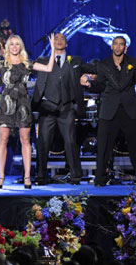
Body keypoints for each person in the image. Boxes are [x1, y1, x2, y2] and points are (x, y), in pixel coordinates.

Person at [0, 33, 55, 189]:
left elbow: (48, 68)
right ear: (8, 47)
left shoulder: (27, 63)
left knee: (25, 140)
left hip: (22, 103)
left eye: (17, 44)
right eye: (11, 44)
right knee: (3, 140)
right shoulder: (2, 63)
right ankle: (1, 177)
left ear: (20, 47)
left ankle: (27, 177)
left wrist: (53, 48)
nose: (14, 47)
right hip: (6, 104)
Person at [81, 36, 136, 186]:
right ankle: (100, 179)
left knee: (135, 146)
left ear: (125, 47)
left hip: (128, 109)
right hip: (109, 110)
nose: (118, 47)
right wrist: (88, 83)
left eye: (122, 44)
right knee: (103, 146)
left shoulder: (134, 63)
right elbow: (99, 86)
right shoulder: (103, 65)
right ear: (112, 46)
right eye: (116, 44)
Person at [31, 33, 96, 185]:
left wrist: (89, 79)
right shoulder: (42, 61)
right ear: (51, 43)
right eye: (56, 39)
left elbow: (96, 69)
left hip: (67, 108)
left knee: (70, 142)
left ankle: (75, 176)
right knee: (43, 143)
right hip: (47, 108)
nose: (59, 41)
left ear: (66, 44)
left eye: (62, 39)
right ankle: (40, 177)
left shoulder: (75, 61)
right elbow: (24, 67)